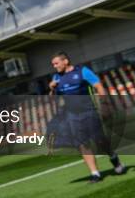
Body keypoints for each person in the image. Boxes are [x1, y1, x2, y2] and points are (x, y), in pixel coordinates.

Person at [49, 51, 126, 183]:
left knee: (100, 141)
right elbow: (53, 98)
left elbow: (99, 86)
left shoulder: (82, 71)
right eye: (53, 64)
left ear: (65, 61)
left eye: (56, 63)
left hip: (89, 112)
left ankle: (114, 159)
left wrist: (105, 104)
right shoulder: (56, 77)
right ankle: (95, 173)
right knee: (82, 144)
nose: (54, 66)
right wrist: (51, 89)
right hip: (72, 115)